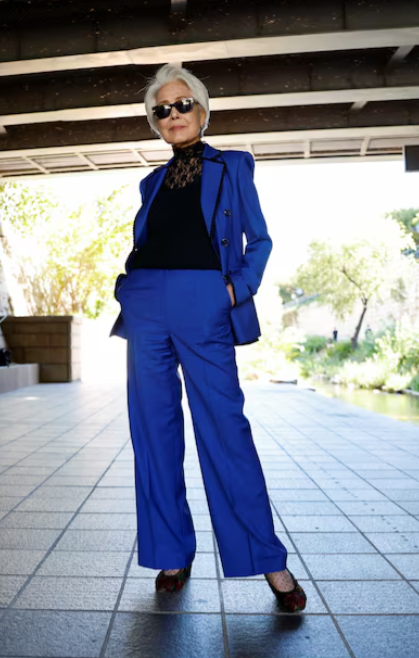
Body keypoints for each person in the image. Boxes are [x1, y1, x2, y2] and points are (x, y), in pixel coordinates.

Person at [110, 64, 306, 612]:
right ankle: (172, 552)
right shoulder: (151, 182)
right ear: (155, 122)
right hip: (146, 303)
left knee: (225, 429)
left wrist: (235, 289)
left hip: (206, 301)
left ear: (202, 110)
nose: (173, 115)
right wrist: (127, 287)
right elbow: (149, 241)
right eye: (162, 110)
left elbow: (259, 240)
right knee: (152, 432)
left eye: (182, 104)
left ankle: (266, 559)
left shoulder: (234, 165)